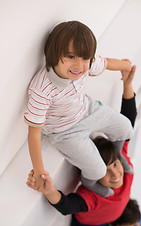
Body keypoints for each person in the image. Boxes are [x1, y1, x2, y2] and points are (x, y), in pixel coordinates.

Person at [26, 65, 137, 226]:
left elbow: (128, 121)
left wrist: (128, 84)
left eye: (115, 164)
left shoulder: (125, 168)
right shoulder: (92, 196)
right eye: (106, 170)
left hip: (113, 219)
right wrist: (49, 190)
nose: (115, 173)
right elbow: (67, 206)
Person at [24, 20, 133, 190]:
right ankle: (91, 184)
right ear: (54, 53)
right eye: (71, 56)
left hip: (87, 109)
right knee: (98, 171)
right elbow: (33, 133)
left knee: (126, 128)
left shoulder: (85, 65)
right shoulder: (42, 89)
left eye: (85, 58)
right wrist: (39, 171)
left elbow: (106, 63)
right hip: (64, 131)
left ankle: (116, 155)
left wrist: (126, 66)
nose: (79, 66)